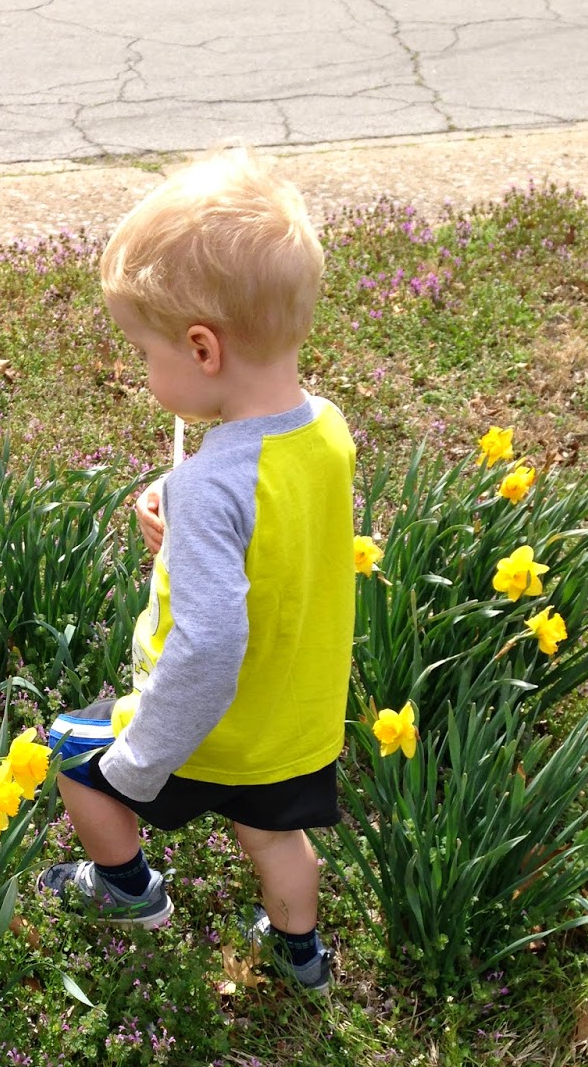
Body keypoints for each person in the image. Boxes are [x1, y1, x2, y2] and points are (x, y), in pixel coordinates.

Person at [37, 147, 356, 990]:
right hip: (296, 723)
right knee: (276, 839)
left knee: (71, 753)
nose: (144, 371)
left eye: (145, 352)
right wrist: (185, 527)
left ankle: (126, 890)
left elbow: (208, 647)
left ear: (203, 348)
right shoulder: (326, 429)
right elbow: (279, 537)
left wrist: (142, 758)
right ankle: (300, 957)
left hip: (210, 731)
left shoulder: (212, 487)